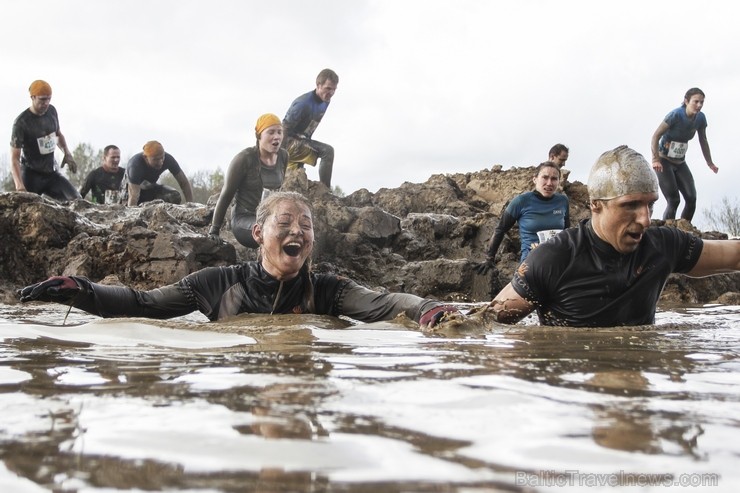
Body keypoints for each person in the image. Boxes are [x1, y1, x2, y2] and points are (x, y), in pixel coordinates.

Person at [18, 191, 460, 328]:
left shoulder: (327, 290)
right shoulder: (216, 283)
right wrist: (80, 290)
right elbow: (143, 305)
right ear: (257, 233)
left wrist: (428, 309)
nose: (297, 232)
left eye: (306, 226)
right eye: (285, 223)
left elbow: (386, 302)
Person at [488, 145, 739, 327]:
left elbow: (735, 256)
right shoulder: (553, 258)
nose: (645, 219)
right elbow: (485, 323)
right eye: (630, 205)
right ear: (596, 204)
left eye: (650, 205)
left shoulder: (664, 245)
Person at [208, 114, 288, 248]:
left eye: (279, 132)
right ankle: (265, 267)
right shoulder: (244, 159)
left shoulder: (283, 156)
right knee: (271, 230)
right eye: (271, 132)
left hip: (269, 216)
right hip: (244, 219)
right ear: (259, 136)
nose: (277, 137)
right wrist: (214, 230)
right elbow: (226, 195)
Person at [476, 161, 570, 274]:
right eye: (545, 177)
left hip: (558, 262)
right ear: (535, 179)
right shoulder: (521, 201)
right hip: (530, 263)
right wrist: (489, 259)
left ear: (559, 181)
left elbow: (567, 232)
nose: (549, 183)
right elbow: (500, 229)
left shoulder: (563, 201)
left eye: (554, 179)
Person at [650, 87, 719, 222]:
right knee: (674, 200)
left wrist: (710, 163)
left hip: (680, 162)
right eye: (696, 102)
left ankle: (684, 232)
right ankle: (668, 231)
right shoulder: (675, 115)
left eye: (701, 102)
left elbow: (703, 140)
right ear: (686, 101)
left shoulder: (700, 118)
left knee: (691, 198)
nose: (699, 105)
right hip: (664, 161)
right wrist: (655, 159)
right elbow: (655, 136)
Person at [9, 80, 81, 202]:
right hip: (31, 175)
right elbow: (14, 158)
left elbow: (58, 134)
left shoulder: (52, 111)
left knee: (77, 200)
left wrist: (67, 153)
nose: (46, 103)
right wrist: (19, 185)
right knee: (28, 208)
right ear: (33, 97)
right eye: (42, 99)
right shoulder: (21, 122)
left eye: (49, 99)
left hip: (51, 173)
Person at [282, 68, 338, 188]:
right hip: (288, 143)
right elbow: (284, 129)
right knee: (327, 152)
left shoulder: (326, 101)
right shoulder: (303, 104)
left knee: (295, 180)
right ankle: (326, 191)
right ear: (318, 85)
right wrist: (277, 158)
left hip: (303, 141)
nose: (331, 93)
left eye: (334, 89)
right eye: (328, 88)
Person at [123, 140, 194, 206]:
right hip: (129, 194)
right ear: (145, 158)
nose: (160, 162)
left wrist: (190, 204)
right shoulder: (135, 166)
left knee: (174, 196)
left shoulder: (168, 159)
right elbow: (133, 196)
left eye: (162, 157)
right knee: (130, 204)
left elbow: (184, 182)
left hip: (150, 189)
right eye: (156, 159)